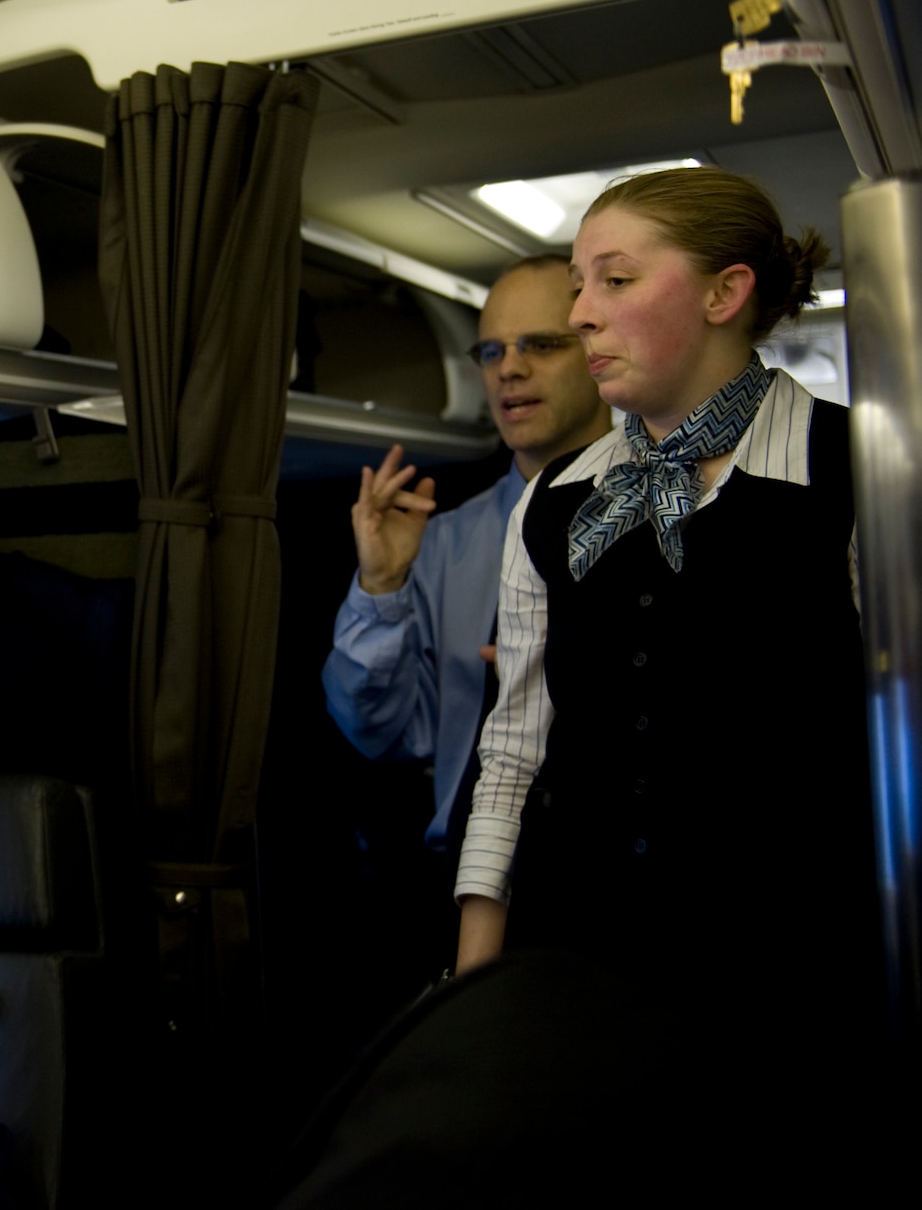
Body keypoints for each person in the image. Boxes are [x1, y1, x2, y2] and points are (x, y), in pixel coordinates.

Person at [451, 167, 880, 1179]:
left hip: (790, 980)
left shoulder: (853, 472)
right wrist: (470, 990)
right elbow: (513, 751)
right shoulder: (553, 500)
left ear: (722, 294)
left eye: (611, 280)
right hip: (576, 973)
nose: (580, 313)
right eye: (576, 283)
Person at [322, 256, 609, 851]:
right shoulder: (441, 541)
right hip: (465, 868)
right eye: (492, 351)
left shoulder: (674, 515)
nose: (510, 369)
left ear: (597, 352)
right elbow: (376, 732)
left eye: (541, 345)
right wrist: (380, 588)